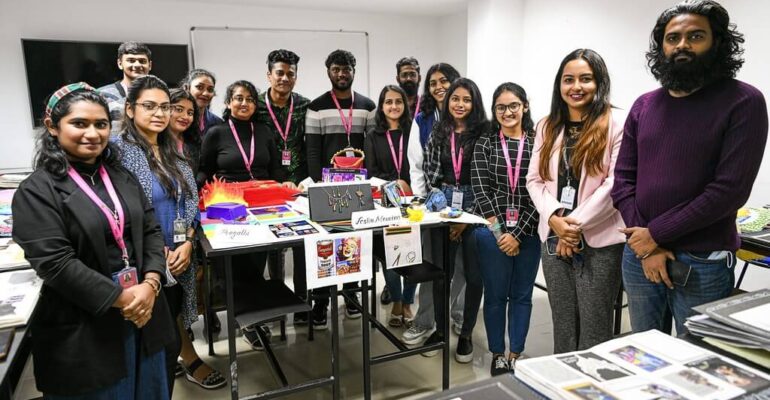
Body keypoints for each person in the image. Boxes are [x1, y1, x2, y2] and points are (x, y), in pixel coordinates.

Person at [611, 0, 768, 334]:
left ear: (718, 42)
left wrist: (655, 235)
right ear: (662, 47)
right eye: (673, 38)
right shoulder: (644, 105)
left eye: (695, 36)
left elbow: (728, 191)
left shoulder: (744, 102)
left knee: (696, 362)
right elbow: (623, 180)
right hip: (639, 254)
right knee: (642, 352)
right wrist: (645, 242)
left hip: (702, 261)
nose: (682, 44)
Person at [12, 83, 174, 399]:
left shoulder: (120, 175)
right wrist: (124, 299)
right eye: (79, 123)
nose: (93, 133)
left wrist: (151, 283)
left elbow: (151, 229)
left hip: (145, 306)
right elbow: (56, 264)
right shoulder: (37, 191)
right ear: (52, 127)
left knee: (151, 390)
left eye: (100, 124)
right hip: (89, 315)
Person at [114, 76, 226, 391]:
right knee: (150, 346)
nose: (160, 114)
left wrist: (189, 242)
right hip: (141, 264)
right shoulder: (116, 153)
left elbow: (189, 203)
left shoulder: (172, 152)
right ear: (130, 108)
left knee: (170, 334)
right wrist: (155, 251)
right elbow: (114, 213)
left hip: (179, 259)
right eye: (149, 106)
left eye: (165, 106)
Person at [526, 49, 626, 353]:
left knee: (595, 326)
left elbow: (615, 183)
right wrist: (555, 219)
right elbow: (534, 180)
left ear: (599, 82)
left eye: (586, 79)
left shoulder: (618, 122)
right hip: (553, 238)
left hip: (599, 241)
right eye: (568, 80)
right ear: (559, 85)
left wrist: (574, 226)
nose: (576, 87)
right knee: (564, 323)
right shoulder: (547, 125)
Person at [199, 80, 291, 350]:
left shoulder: (263, 131)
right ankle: (249, 320)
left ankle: (253, 316)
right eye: (238, 98)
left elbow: (275, 169)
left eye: (249, 99)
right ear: (228, 103)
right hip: (228, 207)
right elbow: (204, 170)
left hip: (263, 205)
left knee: (255, 262)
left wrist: (286, 184)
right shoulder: (215, 133)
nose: (244, 103)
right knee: (234, 267)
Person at [471, 82, 540, 375]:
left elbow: (542, 192)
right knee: (496, 295)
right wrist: (502, 234)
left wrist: (519, 234)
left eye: (514, 105)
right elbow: (481, 191)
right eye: (501, 107)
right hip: (492, 233)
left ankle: (516, 352)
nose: (508, 111)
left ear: (524, 106)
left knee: (522, 295)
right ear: (494, 111)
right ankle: (498, 353)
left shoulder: (540, 143)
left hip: (529, 231)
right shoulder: (485, 143)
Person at [305, 49, 376, 327]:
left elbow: (370, 148)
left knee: (353, 245)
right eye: (336, 69)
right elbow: (312, 151)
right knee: (323, 247)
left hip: (358, 191)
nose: (342, 74)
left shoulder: (368, 106)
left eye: (347, 69)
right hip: (327, 191)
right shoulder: (317, 106)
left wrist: (366, 186)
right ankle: (320, 303)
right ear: (328, 72)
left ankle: (352, 297)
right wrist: (318, 191)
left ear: (354, 71)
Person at [422, 78, 487, 363]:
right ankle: (438, 330)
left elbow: (487, 178)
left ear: (475, 103)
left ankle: (466, 334)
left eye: (466, 99)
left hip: (476, 205)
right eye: (455, 99)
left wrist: (465, 219)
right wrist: (445, 212)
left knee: (474, 276)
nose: (460, 105)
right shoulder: (440, 129)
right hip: (443, 204)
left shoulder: (485, 132)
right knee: (440, 274)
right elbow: (430, 172)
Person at [403, 63, 466, 347]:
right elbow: (415, 166)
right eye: (433, 82)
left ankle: (458, 313)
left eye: (445, 80)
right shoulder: (423, 119)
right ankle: (425, 321)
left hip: (466, 203)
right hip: (431, 204)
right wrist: (423, 201)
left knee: (464, 266)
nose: (439, 86)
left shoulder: (470, 118)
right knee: (431, 266)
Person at [255, 49, 311, 325]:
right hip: (268, 184)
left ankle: (302, 303)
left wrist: (307, 179)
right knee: (273, 246)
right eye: (280, 72)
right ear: (269, 75)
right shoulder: (255, 105)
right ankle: (277, 300)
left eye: (290, 74)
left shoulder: (304, 105)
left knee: (302, 242)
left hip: (299, 183)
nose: (285, 78)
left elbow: (309, 144)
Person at [364, 85, 417, 327]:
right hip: (386, 204)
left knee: (412, 254)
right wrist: (395, 184)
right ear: (382, 106)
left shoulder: (413, 131)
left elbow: (419, 165)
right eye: (388, 102)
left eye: (398, 101)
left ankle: (408, 301)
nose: (394, 106)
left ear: (405, 105)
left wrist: (409, 186)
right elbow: (371, 174)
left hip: (414, 202)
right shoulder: (373, 136)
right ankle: (396, 300)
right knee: (391, 256)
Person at [98, 41, 152, 134]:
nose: (137, 65)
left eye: (142, 61)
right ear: (120, 64)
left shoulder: (159, 96)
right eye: (131, 60)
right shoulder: (102, 94)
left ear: (150, 65)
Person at [168, 89, 203, 176]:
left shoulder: (194, 142)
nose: (185, 117)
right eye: (179, 110)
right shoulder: (152, 141)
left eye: (190, 113)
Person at [180, 68, 223, 137]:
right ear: (186, 88)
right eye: (199, 87)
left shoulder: (218, 123)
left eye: (210, 89)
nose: (205, 93)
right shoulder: (176, 119)